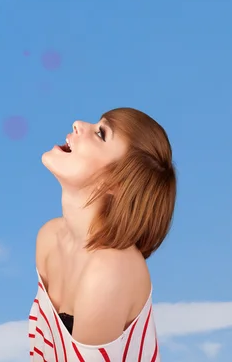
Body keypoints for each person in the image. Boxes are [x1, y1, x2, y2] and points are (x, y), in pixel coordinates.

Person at [28, 107, 176, 361]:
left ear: (117, 184)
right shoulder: (49, 238)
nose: (77, 123)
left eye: (101, 134)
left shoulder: (110, 272)